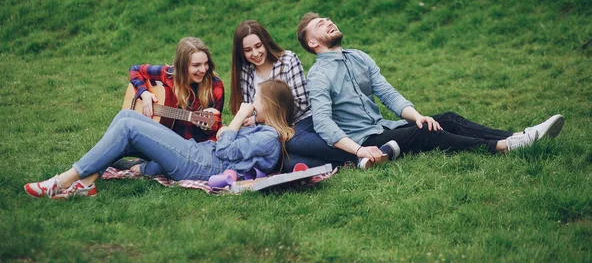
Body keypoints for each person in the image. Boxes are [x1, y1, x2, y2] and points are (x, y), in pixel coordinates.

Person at [296, 12, 565, 168]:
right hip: (366, 141)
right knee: (426, 134)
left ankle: (520, 136)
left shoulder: (359, 57)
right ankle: (503, 146)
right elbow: (322, 122)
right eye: (320, 24)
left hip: (384, 128)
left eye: (327, 19)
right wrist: (358, 151)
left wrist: (416, 115)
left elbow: (388, 93)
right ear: (312, 43)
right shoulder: (318, 75)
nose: (328, 21)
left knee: (443, 119)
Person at [24, 79, 295, 199]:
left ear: (269, 105)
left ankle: (61, 181)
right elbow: (228, 143)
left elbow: (225, 151)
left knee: (129, 127)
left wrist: (236, 121)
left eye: (256, 100)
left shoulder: (270, 137)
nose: (250, 103)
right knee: (124, 120)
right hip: (197, 154)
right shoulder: (262, 131)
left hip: (200, 165)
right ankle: (85, 183)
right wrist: (242, 124)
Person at [230, 20, 356, 171]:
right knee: (285, 163)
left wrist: (260, 118)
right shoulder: (245, 71)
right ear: (241, 52)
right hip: (271, 133)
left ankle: (355, 153)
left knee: (291, 141)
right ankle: (344, 163)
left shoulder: (287, 60)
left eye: (258, 46)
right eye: (248, 50)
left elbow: (302, 103)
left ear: (266, 42)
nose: (255, 53)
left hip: (300, 121)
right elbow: (248, 108)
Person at [112, 37, 225, 174]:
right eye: (196, 65)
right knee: (122, 138)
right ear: (182, 66)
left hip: (190, 148)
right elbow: (135, 70)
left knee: (162, 167)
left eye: (206, 63)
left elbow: (214, 128)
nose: (203, 69)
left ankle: (142, 166)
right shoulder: (169, 75)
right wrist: (144, 93)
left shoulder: (215, 87)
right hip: (161, 140)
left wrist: (207, 126)